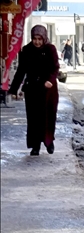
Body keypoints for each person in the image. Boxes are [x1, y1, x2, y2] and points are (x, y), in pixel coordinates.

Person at [9, 25, 60, 156]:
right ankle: (35, 145)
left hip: (48, 90)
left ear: (44, 38)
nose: (37, 42)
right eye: (34, 39)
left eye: (39, 39)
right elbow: (21, 70)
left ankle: (49, 141)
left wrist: (50, 80)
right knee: (33, 118)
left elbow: (55, 68)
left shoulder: (50, 49)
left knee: (48, 116)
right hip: (32, 89)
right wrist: (13, 89)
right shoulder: (26, 50)